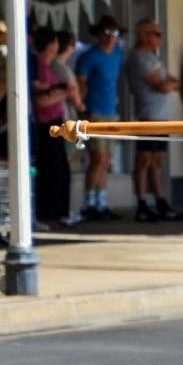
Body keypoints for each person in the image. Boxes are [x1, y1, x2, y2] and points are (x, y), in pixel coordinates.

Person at [123, 18, 183, 222]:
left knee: (158, 160)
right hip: (147, 115)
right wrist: (170, 82)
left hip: (161, 117)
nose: (161, 38)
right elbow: (165, 85)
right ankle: (141, 202)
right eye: (156, 34)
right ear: (144, 35)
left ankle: (160, 201)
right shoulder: (139, 58)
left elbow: (173, 81)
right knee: (144, 159)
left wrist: (171, 82)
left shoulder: (153, 57)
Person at [75, 16, 125, 220]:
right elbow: (80, 83)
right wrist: (82, 108)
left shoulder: (118, 55)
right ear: (98, 35)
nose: (111, 37)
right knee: (98, 158)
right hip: (94, 111)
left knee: (107, 160)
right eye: (107, 33)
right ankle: (89, 203)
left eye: (115, 33)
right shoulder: (89, 56)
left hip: (111, 111)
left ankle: (102, 202)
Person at [29, 28, 76, 230]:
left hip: (58, 120)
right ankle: (47, 213)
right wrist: (61, 92)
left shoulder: (51, 67)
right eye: (54, 43)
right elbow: (42, 100)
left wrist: (59, 92)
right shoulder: (38, 67)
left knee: (61, 170)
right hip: (45, 125)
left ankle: (60, 212)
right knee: (49, 170)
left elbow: (64, 91)